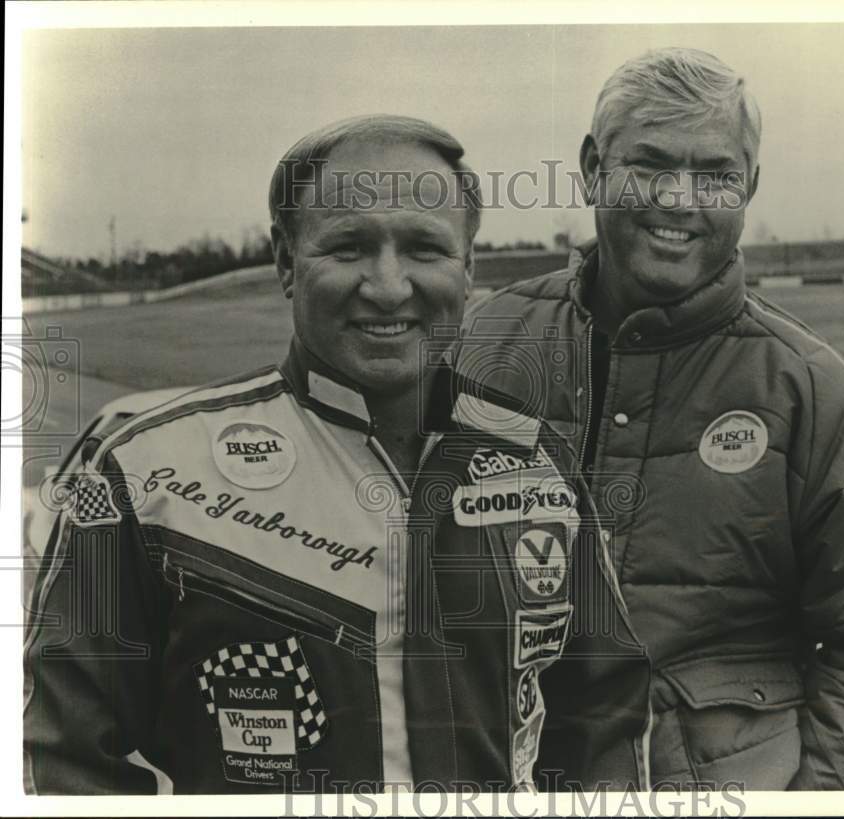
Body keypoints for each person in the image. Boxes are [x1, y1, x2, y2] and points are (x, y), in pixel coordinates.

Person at [23, 115, 650, 794]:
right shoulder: (145, 473)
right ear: (286, 262)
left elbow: (602, 724)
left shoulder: (536, 461)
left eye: (424, 248)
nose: (387, 285)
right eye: (349, 247)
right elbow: (60, 762)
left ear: (468, 268)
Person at [459, 48, 844, 790]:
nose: (680, 198)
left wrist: (811, 798)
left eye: (715, 174)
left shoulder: (811, 389)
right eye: (650, 165)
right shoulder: (482, 342)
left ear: (749, 185)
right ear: (594, 167)